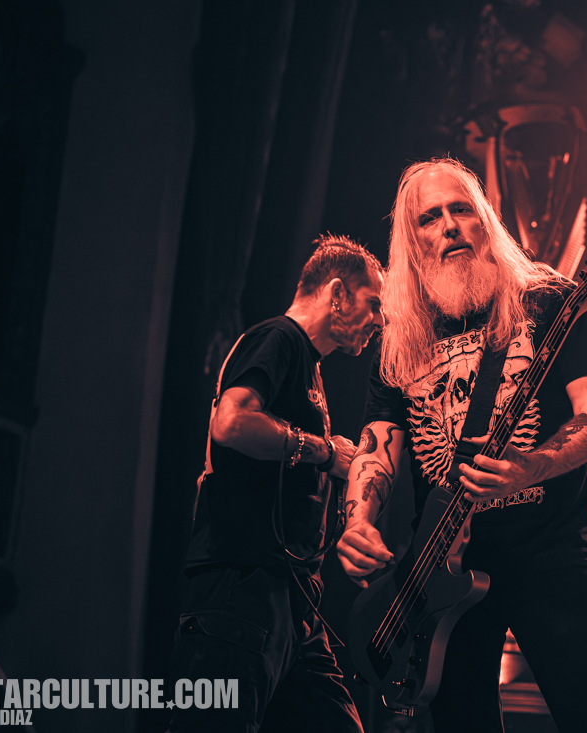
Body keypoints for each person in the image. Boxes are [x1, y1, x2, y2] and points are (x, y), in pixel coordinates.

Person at [336, 158, 587, 733]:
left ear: (485, 221)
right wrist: (359, 522)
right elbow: (378, 443)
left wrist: (531, 466)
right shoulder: (401, 334)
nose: (449, 225)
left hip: (551, 558)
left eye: (461, 209)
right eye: (430, 218)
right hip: (444, 567)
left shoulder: (548, 301)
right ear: (412, 241)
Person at [166, 234, 384, 733]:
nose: (380, 319)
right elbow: (231, 423)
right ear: (337, 293)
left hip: (292, 603)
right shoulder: (278, 338)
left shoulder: (309, 366)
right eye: (373, 303)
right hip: (241, 590)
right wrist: (324, 451)